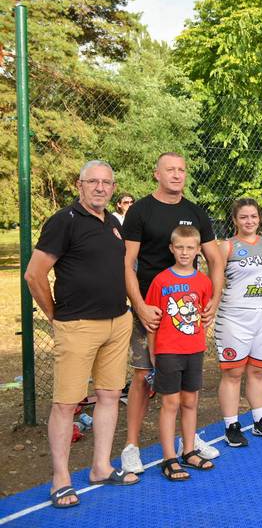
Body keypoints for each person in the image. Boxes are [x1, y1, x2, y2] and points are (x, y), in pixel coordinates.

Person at [25, 160, 140, 508]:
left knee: (109, 395)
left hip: (117, 322)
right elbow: (34, 274)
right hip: (78, 325)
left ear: (113, 187)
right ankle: (60, 479)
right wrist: (54, 315)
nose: (100, 188)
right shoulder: (64, 221)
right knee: (66, 404)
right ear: (80, 185)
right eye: (93, 182)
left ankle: (101, 467)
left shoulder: (113, 224)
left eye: (107, 182)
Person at [120, 152, 223, 473]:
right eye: (170, 170)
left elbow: (216, 260)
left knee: (188, 387)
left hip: (187, 312)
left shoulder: (195, 212)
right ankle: (132, 447)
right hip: (151, 309)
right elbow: (127, 263)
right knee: (142, 376)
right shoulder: (140, 211)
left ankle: (187, 443)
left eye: (181, 170)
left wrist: (214, 299)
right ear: (157, 174)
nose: (177, 175)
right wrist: (140, 305)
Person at [144, 226, 214, 480]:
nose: (185, 252)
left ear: (198, 250)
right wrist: (154, 352)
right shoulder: (161, 281)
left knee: (190, 401)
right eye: (180, 247)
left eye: (190, 248)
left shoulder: (203, 281)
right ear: (171, 249)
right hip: (168, 351)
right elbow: (152, 321)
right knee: (170, 403)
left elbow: (203, 315)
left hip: (194, 350)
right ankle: (169, 457)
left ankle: (188, 451)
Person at [217, 198, 262, 446]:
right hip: (235, 316)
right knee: (233, 372)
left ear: (259, 218)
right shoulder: (227, 246)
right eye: (243, 217)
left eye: (253, 216)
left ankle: (259, 420)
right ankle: (231, 425)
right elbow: (216, 281)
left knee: (258, 370)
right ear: (235, 220)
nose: (249, 221)